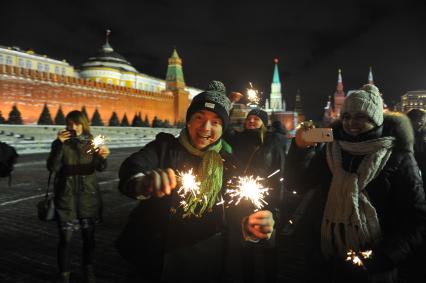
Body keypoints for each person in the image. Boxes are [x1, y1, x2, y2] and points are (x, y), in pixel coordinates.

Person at [116, 81, 275, 283]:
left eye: (216, 122)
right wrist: (142, 182)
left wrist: (252, 222)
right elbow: (134, 164)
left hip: (208, 257)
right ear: (189, 121)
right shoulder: (164, 147)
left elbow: (240, 206)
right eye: (199, 118)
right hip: (156, 254)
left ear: (223, 128)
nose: (205, 128)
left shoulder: (229, 162)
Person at [284, 84, 426, 283]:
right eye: (347, 116)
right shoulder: (331, 150)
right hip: (326, 259)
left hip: (372, 266)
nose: (351, 123)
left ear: (375, 119)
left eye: (360, 116)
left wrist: (386, 256)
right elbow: (296, 184)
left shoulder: (398, 157)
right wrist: (299, 149)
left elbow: (417, 217)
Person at [47, 110, 110, 283]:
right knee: (65, 241)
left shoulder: (90, 143)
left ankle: (88, 270)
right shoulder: (60, 143)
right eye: (70, 123)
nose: (73, 127)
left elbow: (100, 167)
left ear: (83, 124)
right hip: (66, 198)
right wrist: (59, 144)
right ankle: (64, 275)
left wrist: (103, 156)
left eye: (77, 123)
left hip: (88, 197)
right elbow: (53, 167)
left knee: (88, 239)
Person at [226, 108, 285, 283]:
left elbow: (279, 173)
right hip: (242, 199)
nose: (251, 120)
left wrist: (277, 207)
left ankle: (270, 277)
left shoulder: (272, 141)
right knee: (246, 246)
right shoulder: (236, 139)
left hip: (266, 200)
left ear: (263, 123)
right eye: (249, 118)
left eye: (256, 118)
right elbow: (224, 127)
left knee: (269, 246)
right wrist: (232, 104)